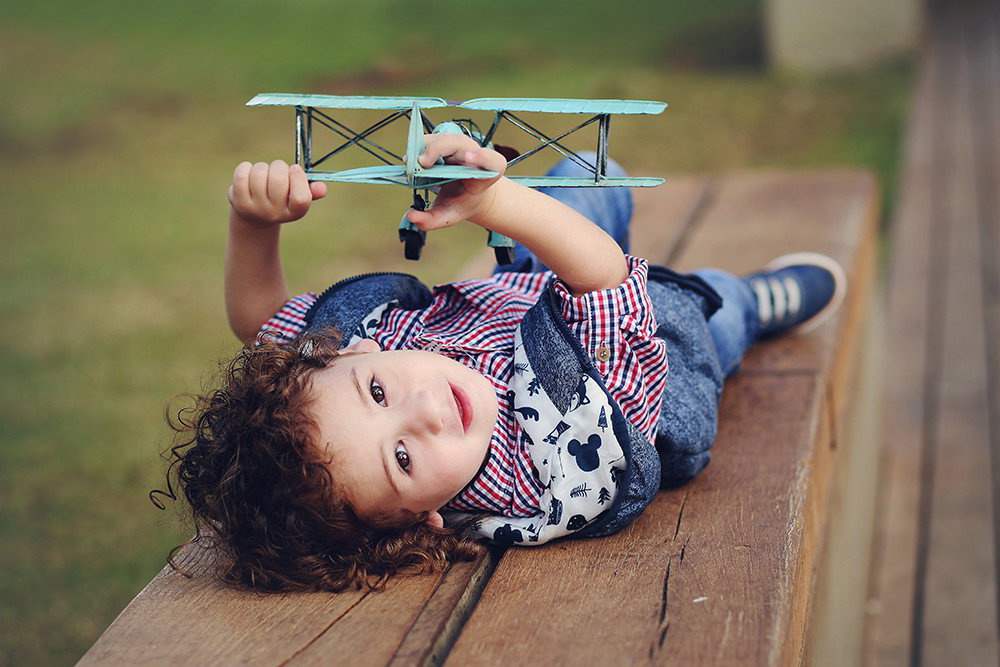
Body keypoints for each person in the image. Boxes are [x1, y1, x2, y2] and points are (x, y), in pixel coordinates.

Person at [157, 133, 846, 592]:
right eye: (401, 458)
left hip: (536, 296)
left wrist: (253, 223)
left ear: (350, 350)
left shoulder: (359, 348)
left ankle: (571, 210)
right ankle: (757, 298)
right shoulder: (543, 466)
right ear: (423, 521)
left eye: (376, 390)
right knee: (712, 307)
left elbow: (261, 327)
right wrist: (498, 203)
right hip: (647, 356)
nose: (423, 411)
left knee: (584, 174)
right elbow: (605, 284)